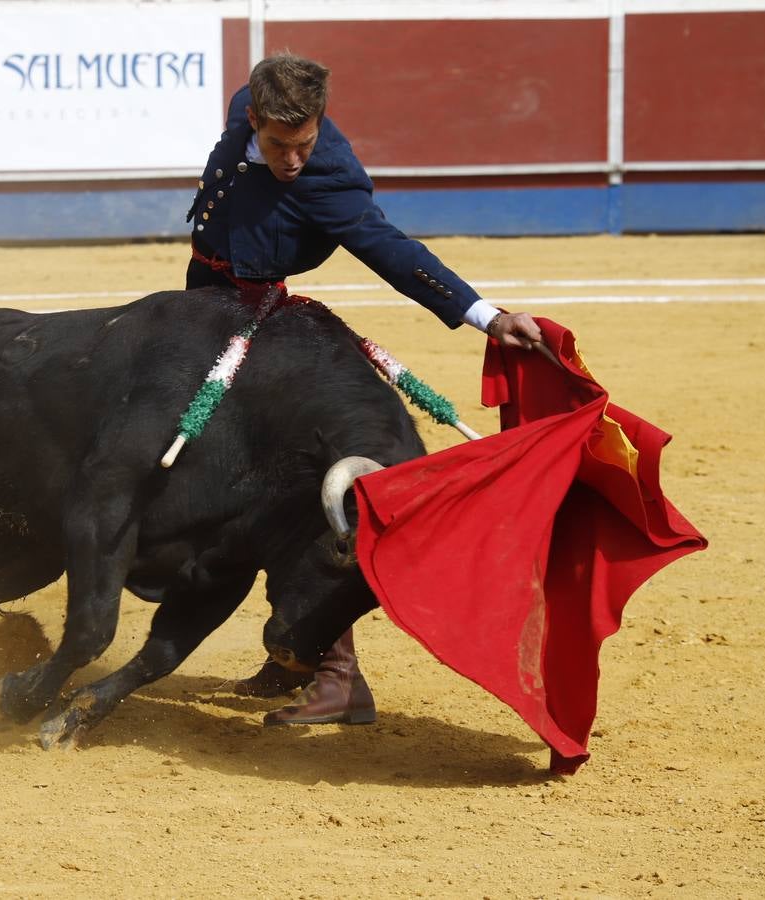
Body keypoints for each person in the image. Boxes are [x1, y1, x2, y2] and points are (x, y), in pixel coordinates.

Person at [185, 53, 543, 727]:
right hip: (203, 300)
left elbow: (394, 252)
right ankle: (290, 660)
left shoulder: (330, 182)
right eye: (279, 145)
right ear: (254, 116)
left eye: (305, 144)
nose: (293, 159)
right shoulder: (245, 105)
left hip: (263, 321)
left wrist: (486, 315)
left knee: (280, 479)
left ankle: (337, 672)